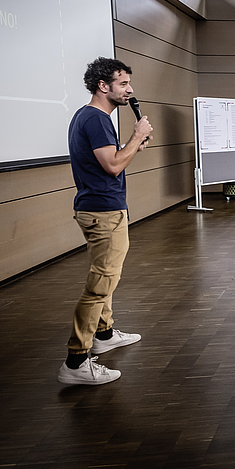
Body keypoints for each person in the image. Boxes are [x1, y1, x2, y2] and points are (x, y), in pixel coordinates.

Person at [58, 57, 152, 386]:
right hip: (103, 211)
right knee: (100, 286)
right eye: (123, 83)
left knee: (105, 278)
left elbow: (110, 161)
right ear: (103, 86)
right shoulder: (97, 119)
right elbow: (113, 166)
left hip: (98, 208)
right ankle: (76, 361)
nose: (130, 90)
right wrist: (137, 137)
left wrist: (131, 146)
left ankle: (105, 334)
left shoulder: (87, 116)